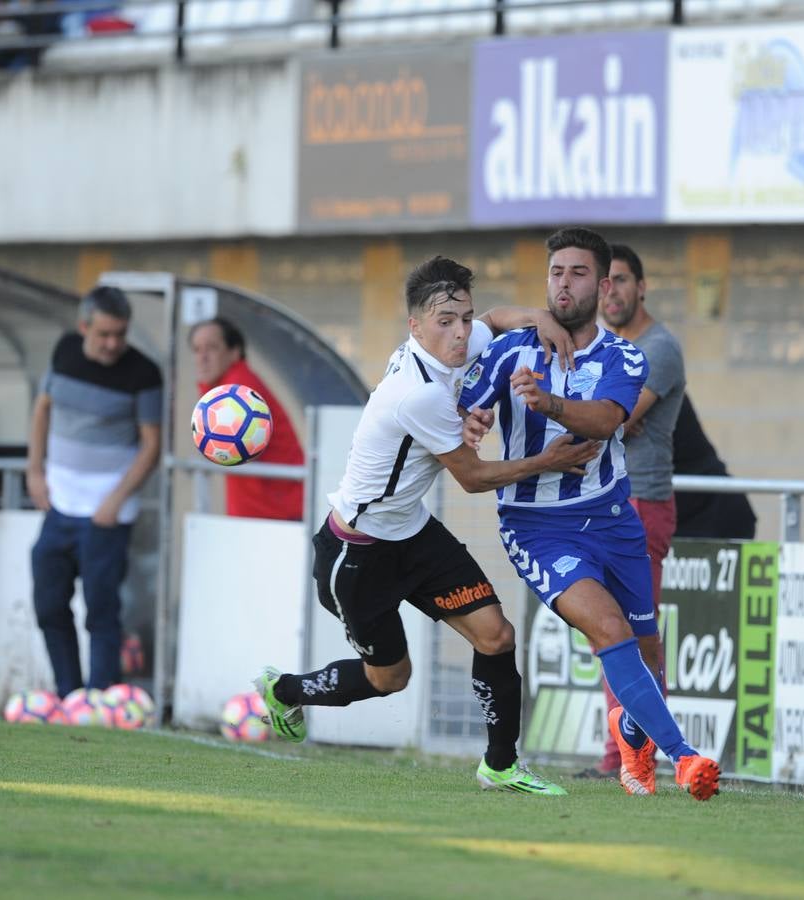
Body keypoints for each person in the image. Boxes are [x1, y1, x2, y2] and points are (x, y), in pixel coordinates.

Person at [253, 255, 598, 797]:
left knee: (496, 635)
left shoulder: (453, 346)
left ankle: (501, 764)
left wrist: (540, 316)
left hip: (411, 533)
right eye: (446, 322)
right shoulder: (419, 392)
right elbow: (475, 477)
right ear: (415, 327)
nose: (461, 333)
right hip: (357, 553)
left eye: (464, 317)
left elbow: (499, 319)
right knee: (391, 678)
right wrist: (546, 460)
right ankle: (286, 690)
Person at [460, 227, 721, 801]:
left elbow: (606, 421)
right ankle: (685, 758)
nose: (564, 283)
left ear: (602, 287)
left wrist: (547, 402)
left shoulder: (624, 355)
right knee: (609, 629)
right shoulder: (512, 350)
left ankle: (631, 735)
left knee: (647, 650)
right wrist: (471, 424)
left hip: (613, 521)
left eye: (578, 273)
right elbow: (461, 405)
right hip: (537, 527)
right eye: (556, 272)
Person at [577, 242, 685, 778]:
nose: (611, 291)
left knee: (637, 635)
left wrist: (608, 415)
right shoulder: (607, 351)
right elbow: (607, 419)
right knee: (610, 631)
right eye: (606, 282)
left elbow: (613, 421)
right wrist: (606, 415)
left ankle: (643, 755)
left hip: (642, 499)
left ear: (640, 288)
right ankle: (619, 755)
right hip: (606, 501)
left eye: (621, 280)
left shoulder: (659, 347)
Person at [28, 286, 161, 697]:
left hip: (106, 513)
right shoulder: (64, 351)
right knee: (49, 604)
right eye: (104, 334)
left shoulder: (144, 372)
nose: (113, 343)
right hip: (58, 506)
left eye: (120, 334)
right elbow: (43, 409)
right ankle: (68, 695)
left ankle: (100, 698)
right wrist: (34, 470)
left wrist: (116, 500)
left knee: (102, 612)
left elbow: (151, 444)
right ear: (83, 326)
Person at [189, 317, 306, 521]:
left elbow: (230, 448)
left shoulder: (238, 391)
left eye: (212, 348)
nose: (202, 357)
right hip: (264, 507)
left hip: (275, 510)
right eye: (197, 350)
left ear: (235, 352)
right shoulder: (227, 386)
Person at [672, 392, 757, 541]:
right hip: (679, 513)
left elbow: (618, 424)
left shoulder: (656, 383)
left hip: (716, 511)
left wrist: (623, 423)